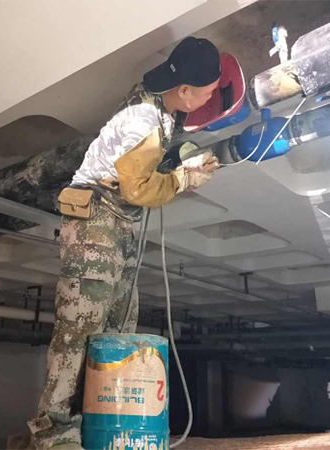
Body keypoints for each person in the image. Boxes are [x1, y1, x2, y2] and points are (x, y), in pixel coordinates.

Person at [27, 37, 233, 450]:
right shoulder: (143, 122)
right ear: (185, 90)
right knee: (81, 326)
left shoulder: (158, 98)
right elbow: (138, 189)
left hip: (119, 221)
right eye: (207, 92)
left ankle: (101, 424)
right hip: (95, 219)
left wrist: (184, 153)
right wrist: (186, 178)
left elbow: (157, 153)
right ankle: (53, 435)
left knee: (119, 325)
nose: (211, 98)